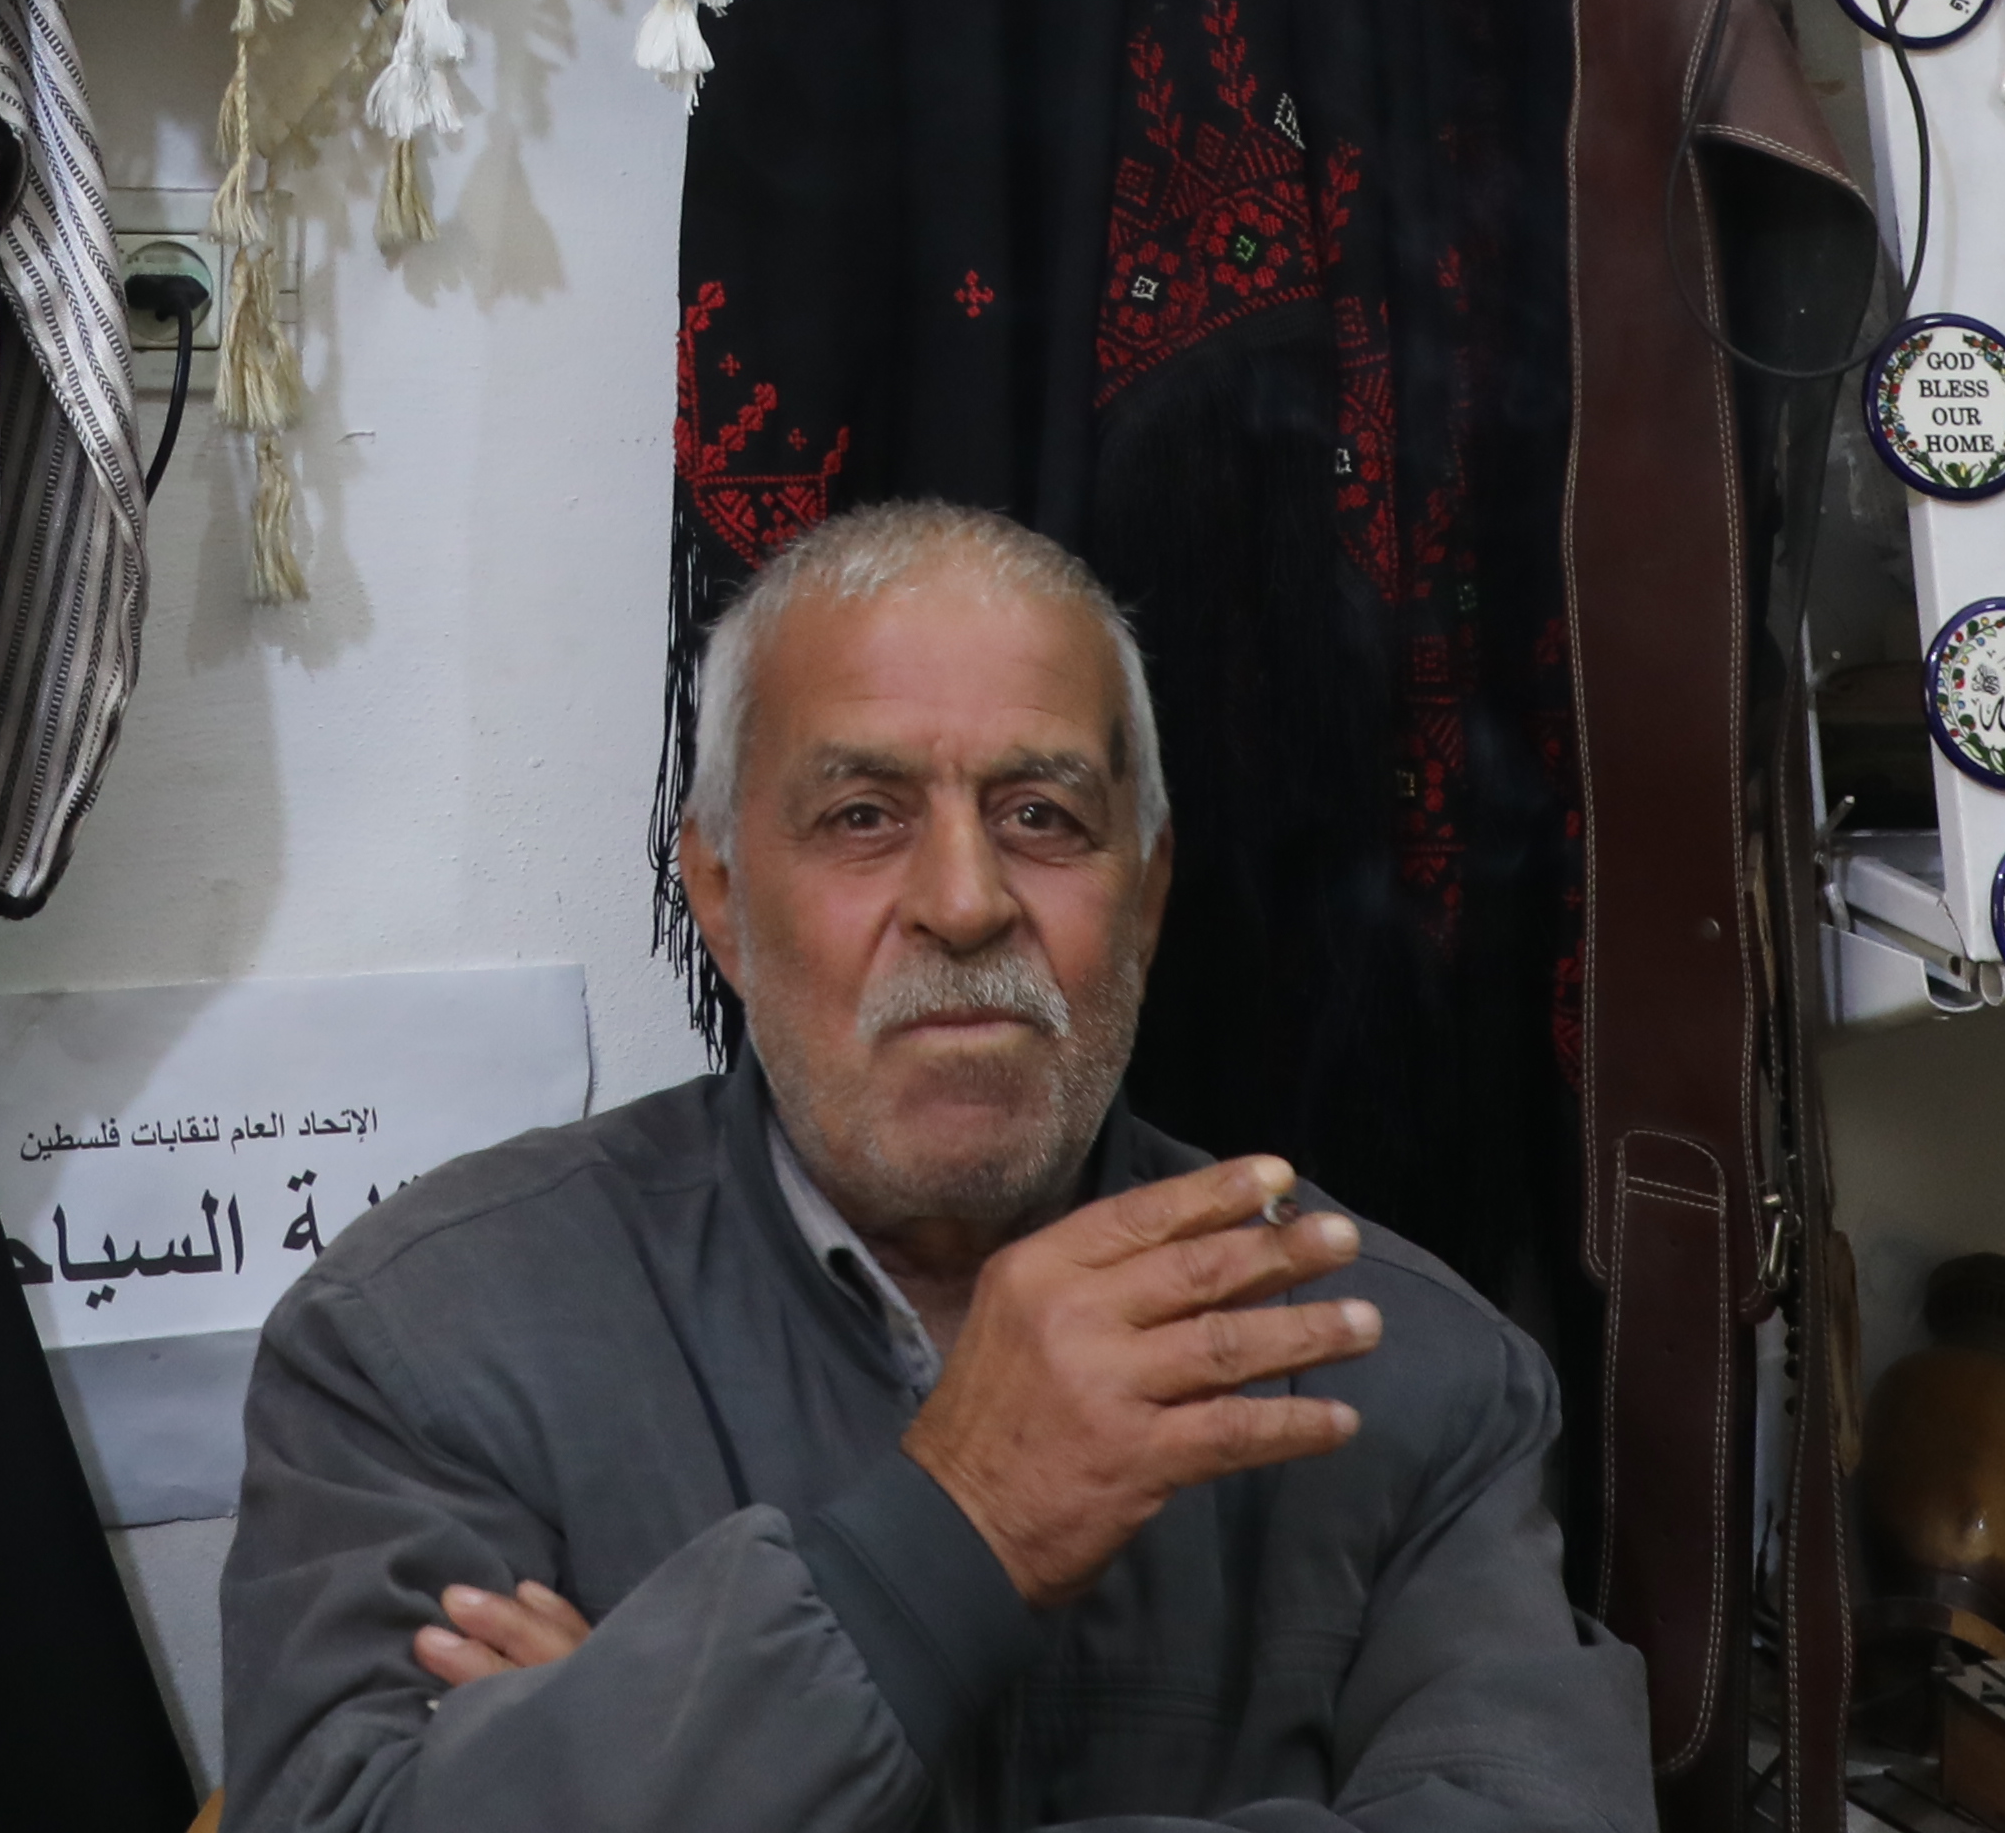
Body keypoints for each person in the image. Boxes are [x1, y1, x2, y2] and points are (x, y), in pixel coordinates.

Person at [218, 503, 1645, 1833]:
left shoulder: (1412, 1376)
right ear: (716, 892)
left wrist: (669, 1751)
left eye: (1042, 817)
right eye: (862, 816)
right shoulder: (430, 1341)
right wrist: (958, 1527)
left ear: (1143, 898)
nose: (965, 904)